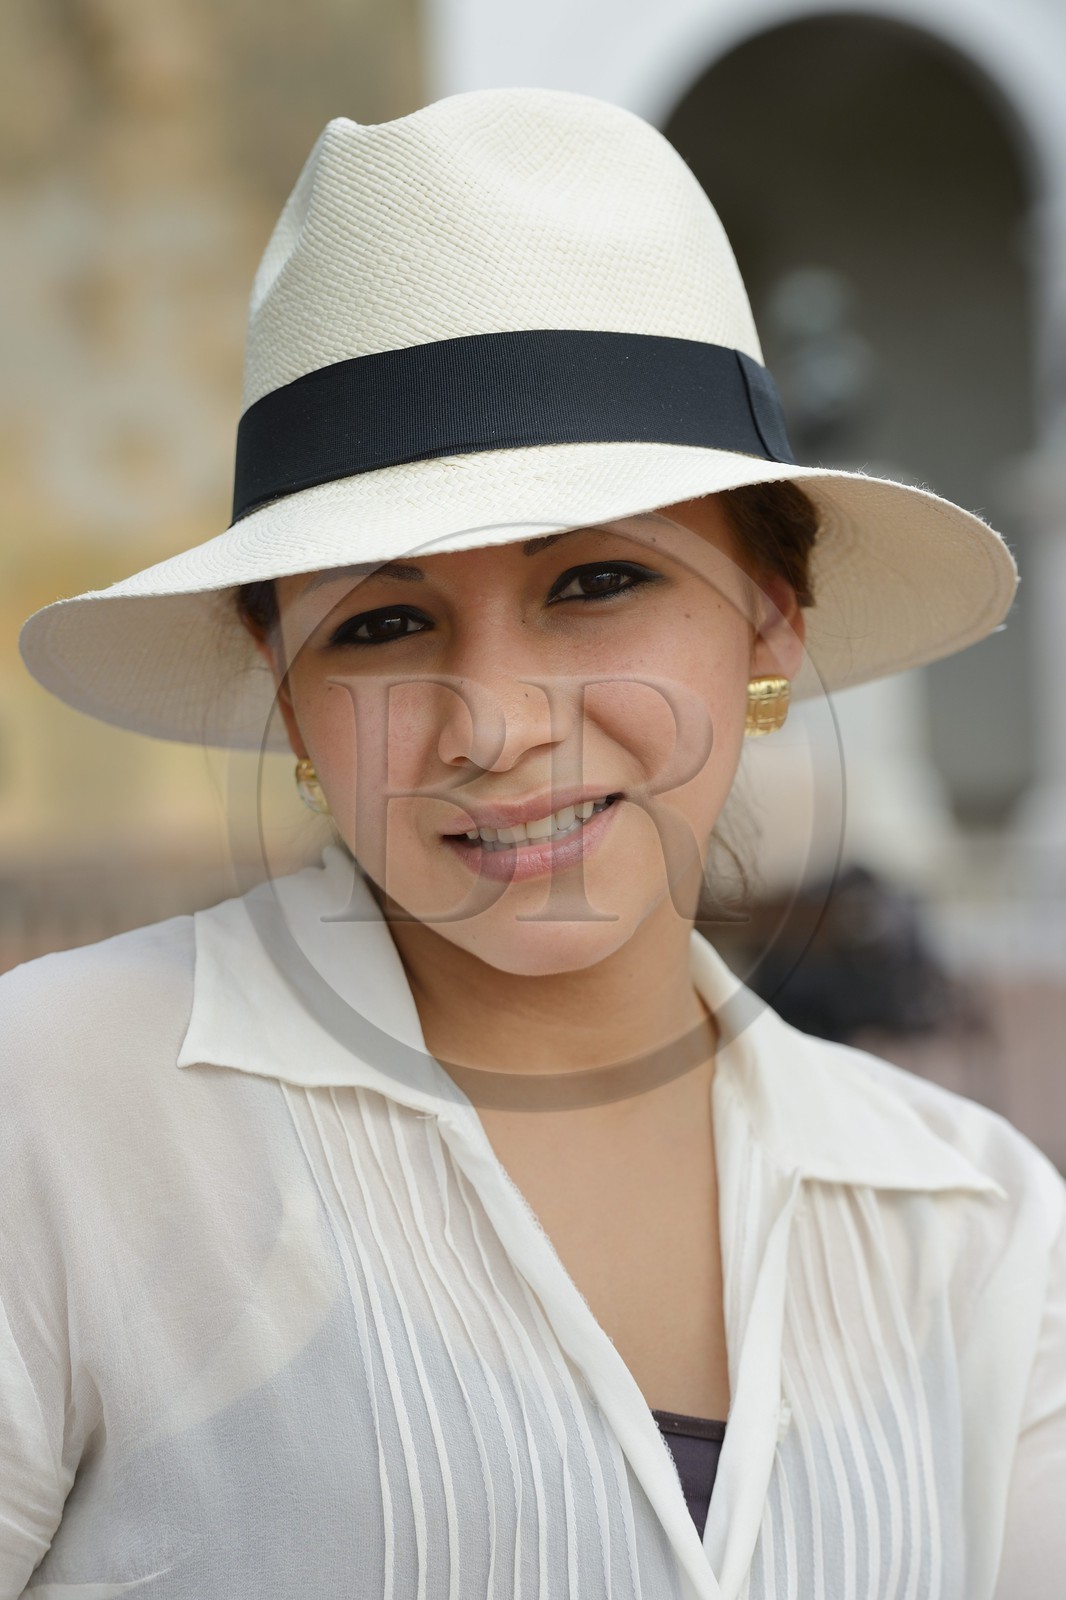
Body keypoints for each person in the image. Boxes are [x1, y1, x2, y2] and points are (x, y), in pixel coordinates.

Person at [4, 87, 1063, 1600]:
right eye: (380, 621)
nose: (491, 722)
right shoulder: (59, 1114)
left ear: (767, 621)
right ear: (289, 700)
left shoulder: (970, 1226)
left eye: (593, 584)